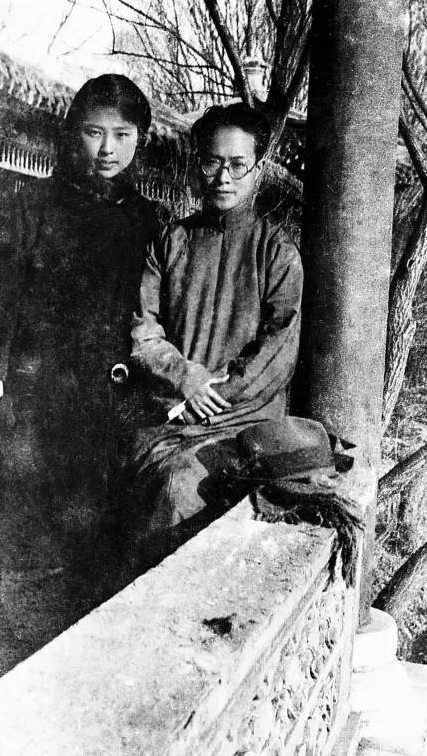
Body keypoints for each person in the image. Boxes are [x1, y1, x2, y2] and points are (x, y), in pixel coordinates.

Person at [0, 74, 159, 615]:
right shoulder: (33, 205)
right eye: (94, 133)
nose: (107, 149)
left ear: (140, 139)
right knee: (26, 529)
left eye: (122, 135)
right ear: (74, 134)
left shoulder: (145, 218)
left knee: (98, 534)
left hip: (111, 395)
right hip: (35, 392)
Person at [127, 101, 303, 560]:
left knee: (180, 490)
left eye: (238, 164)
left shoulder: (277, 252)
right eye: (211, 162)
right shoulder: (170, 241)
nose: (223, 176)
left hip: (243, 422)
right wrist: (187, 379)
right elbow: (144, 332)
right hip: (172, 413)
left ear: (258, 170)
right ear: (196, 165)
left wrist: (213, 394)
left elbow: (276, 353)